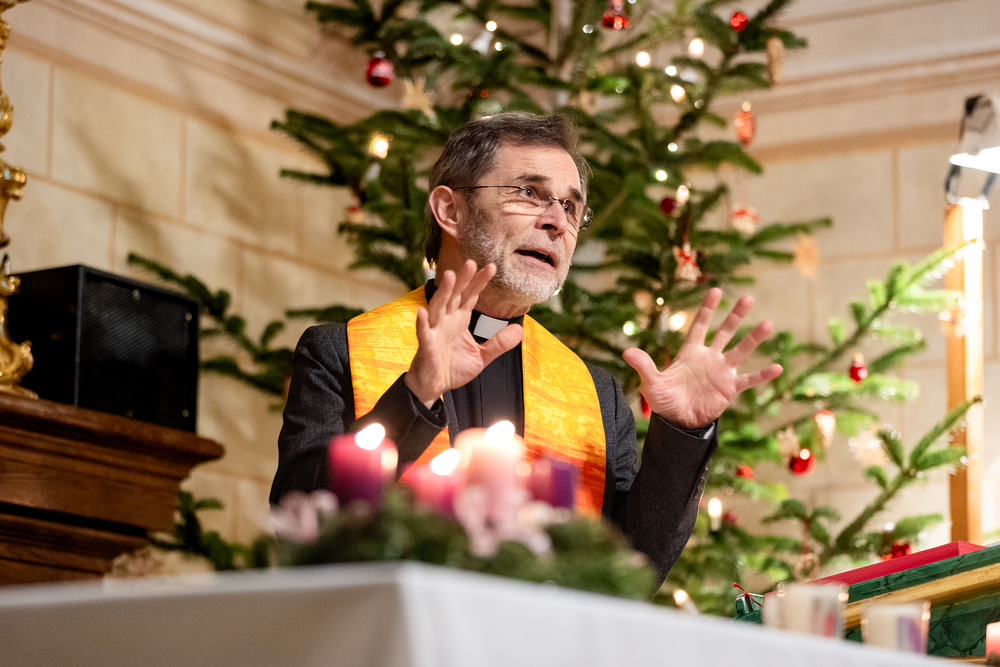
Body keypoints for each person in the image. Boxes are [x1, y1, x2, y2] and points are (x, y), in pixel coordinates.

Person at [271, 112, 782, 578]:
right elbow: (299, 526)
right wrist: (416, 393)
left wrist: (683, 434)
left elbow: (632, 568)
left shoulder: (596, 394)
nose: (557, 221)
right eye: (529, 193)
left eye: (571, 207)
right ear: (450, 210)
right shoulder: (338, 352)